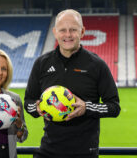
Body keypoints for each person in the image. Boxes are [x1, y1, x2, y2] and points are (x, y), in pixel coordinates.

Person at [24, 9, 121, 158]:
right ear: (55, 32)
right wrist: (37, 109)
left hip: (84, 153)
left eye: (73, 30)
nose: (68, 35)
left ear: (82, 32)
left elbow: (114, 107)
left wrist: (86, 107)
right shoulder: (42, 64)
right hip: (48, 151)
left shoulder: (96, 65)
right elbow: (28, 102)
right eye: (63, 30)